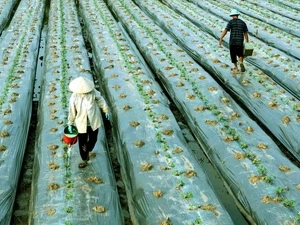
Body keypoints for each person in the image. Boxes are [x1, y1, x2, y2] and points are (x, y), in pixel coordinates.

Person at [68, 76, 109, 168]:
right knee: (82, 141)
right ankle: (84, 159)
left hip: (93, 120)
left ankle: (88, 148)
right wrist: (70, 123)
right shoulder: (74, 97)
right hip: (81, 123)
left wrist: (105, 110)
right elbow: (72, 111)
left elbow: (100, 100)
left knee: (93, 138)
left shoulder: (93, 92)